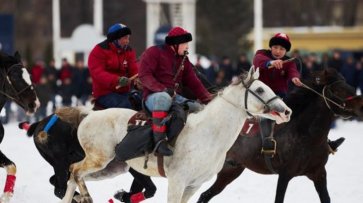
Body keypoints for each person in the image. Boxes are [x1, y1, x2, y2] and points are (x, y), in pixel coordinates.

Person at [253, 32, 344, 154]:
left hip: (279, 96)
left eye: (282, 49)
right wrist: (271, 63)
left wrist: (295, 78)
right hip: (260, 95)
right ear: (271, 47)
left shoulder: (289, 62)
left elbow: (293, 71)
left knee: (303, 114)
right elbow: (259, 61)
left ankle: (325, 143)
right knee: (267, 114)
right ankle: (267, 142)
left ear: (286, 51)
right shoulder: (262, 54)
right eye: (275, 47)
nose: (278, 51)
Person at [139, 26, 212, 156]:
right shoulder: (153, 52)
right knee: (163, 97)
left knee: (198, 108)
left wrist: (208, 99)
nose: (187, 47)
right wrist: (162, 89)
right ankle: (159, 143)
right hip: (153, 98)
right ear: (175, 44)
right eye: (185, 44)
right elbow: (145, 76)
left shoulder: (183, 59)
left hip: (174, 97)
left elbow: (193, 81)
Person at [88, 23, 138, 109]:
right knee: (126, 106)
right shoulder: (99, 51)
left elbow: (134, 70)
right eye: (125, 38)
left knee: (140, 102)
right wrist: (117, 80)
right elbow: (98, 73)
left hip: (124, 92)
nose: (127, 41)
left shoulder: (129, 51)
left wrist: (138, 81)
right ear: (115, 39)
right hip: (104, 93)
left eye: (128, 38)